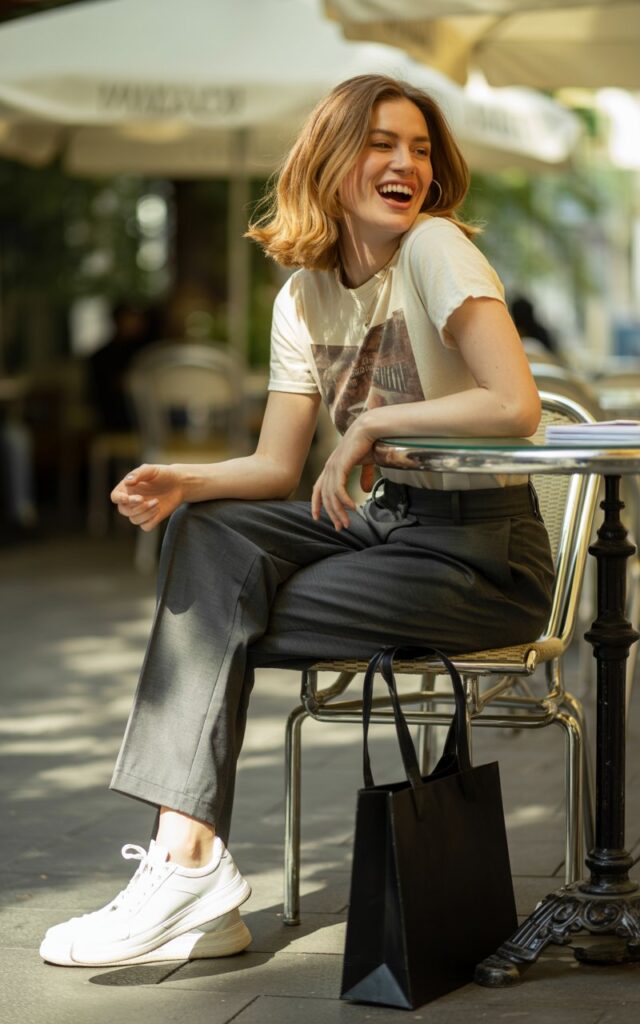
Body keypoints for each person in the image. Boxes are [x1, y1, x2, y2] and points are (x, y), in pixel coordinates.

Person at [40, 74, 554, 968]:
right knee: (204, 539)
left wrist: (372, 420)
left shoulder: (436, 248)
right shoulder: (303, 296)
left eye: (422, 148)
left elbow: (516, 405)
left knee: (211, 620)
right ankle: (192, 866)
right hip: (379, 526)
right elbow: (278, 469)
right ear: (329, 158)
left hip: (480, 555)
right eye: (382, 144)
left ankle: (187, 873)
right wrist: (184, 481)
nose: (406, 164)